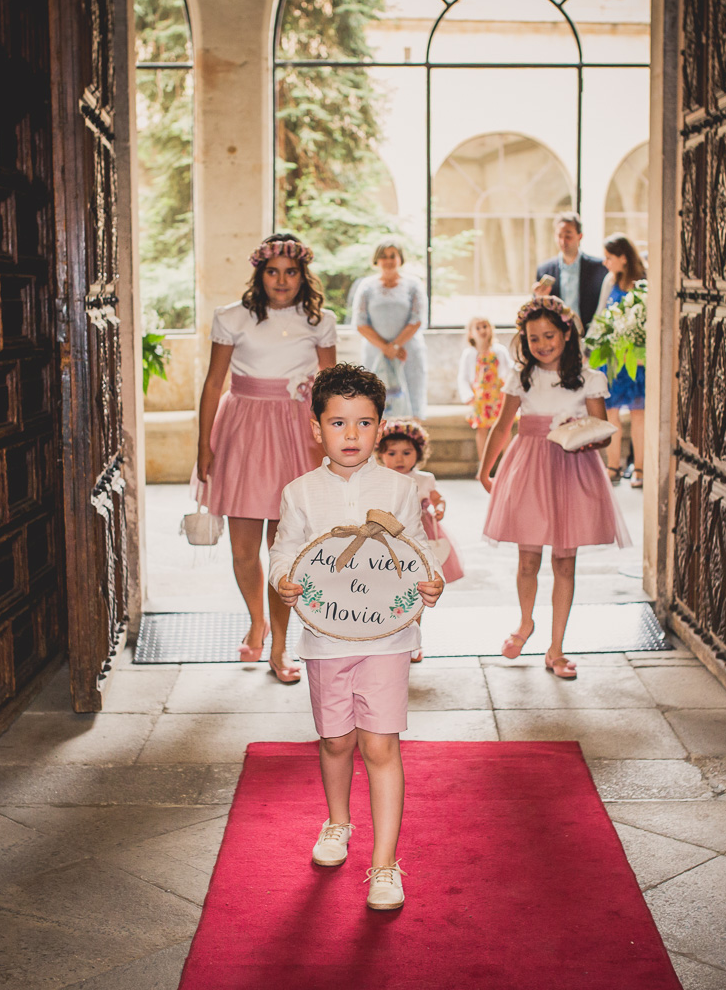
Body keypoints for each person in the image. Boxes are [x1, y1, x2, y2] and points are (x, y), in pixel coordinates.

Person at [269, 364, 444, 911]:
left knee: (380, 744)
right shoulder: (299, 494)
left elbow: (418, 548)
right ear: (316, 428)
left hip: (386, 641)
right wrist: (283, 579)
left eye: (364, 423)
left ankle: (385, 863)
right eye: (338, 423)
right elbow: (282, 551)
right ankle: (338, 822)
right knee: (338, 741)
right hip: (325, 641)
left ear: (380, 426)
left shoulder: (399, 488)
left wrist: (429, 582)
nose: (351, 435)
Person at [197, 234, 338, 683]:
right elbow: (214, 382)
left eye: (291, 272)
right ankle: (255, 619)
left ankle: (280, 643)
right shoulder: (231, 318)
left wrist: (339, 441)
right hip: (242, 432)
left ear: (303, 277)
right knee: (243, 550)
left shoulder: (320, 321)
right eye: (272, 271)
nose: (282, 280)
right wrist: (204, 443)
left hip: (296, 435)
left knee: (284, 547)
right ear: (260, 274)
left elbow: (333, 387)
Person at [479, 295, 631, 679]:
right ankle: (525, 623)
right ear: (524, 341)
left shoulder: (589, 379)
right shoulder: (522, 377)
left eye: (549, 335)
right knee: (527, 558)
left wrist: (585, 437)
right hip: (529, 468)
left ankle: (557, 648)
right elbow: (502, 425)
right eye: (533, 339)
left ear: (567, 333)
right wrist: (486, 469)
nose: (542, 344)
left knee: (564, 561)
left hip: (571, 469)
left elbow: (604, 433)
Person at [377, 417, 463, 663]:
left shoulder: (424, 479)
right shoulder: (379, 478)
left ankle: (413, 638)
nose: (399, 459)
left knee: (417, 589)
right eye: (391, 453)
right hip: (387, 539)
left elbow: (438, 498)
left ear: (418, 453)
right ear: (381, 454)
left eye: (406, 452)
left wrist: (439, 508)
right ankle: (388, 633)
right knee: (389, 587)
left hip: (419, 538)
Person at [353, 240, 429, 418]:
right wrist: (386, 348)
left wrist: (395, 347)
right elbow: (360, 322)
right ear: (376, 260)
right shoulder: (366, 286)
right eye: (383, 256)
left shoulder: (413, 285)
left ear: (400, 259)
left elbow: (417, 319)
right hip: (376, 353)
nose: (388, 260)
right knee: (376, 402)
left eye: (392, 256)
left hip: (407, 352)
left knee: (411, 401)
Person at [595, 233, 647, 487]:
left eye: (609, 258)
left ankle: (639, 470)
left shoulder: (645, 282)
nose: (605, 263)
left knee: (639, 415)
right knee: (611, 414)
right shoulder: (610, 280)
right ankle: (612, 467)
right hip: (613, 360)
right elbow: (600, 316)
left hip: (637, 360)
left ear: (623, 258)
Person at [534, 213, 608, 332]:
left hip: (590, 335)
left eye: (568, 236)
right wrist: (539, 298)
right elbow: (538, 311)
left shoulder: (599, 268)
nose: (563, 241)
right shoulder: (545, 270)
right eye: (559, 236)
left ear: (580, 236)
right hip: (557, 336)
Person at [456, 316, 512, 470]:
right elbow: (463, 377)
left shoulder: (499, 351)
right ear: (471, 333)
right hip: (480, 398)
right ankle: (484, 466)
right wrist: (468, 396)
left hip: (498, 396)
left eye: (485, 326)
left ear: (491, 329)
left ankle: (506, 465)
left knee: (504, 428)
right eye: (478, 328)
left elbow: (509, 371)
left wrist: (509, 390)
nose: (482, 330)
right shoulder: (469, 354)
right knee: (482, 430)